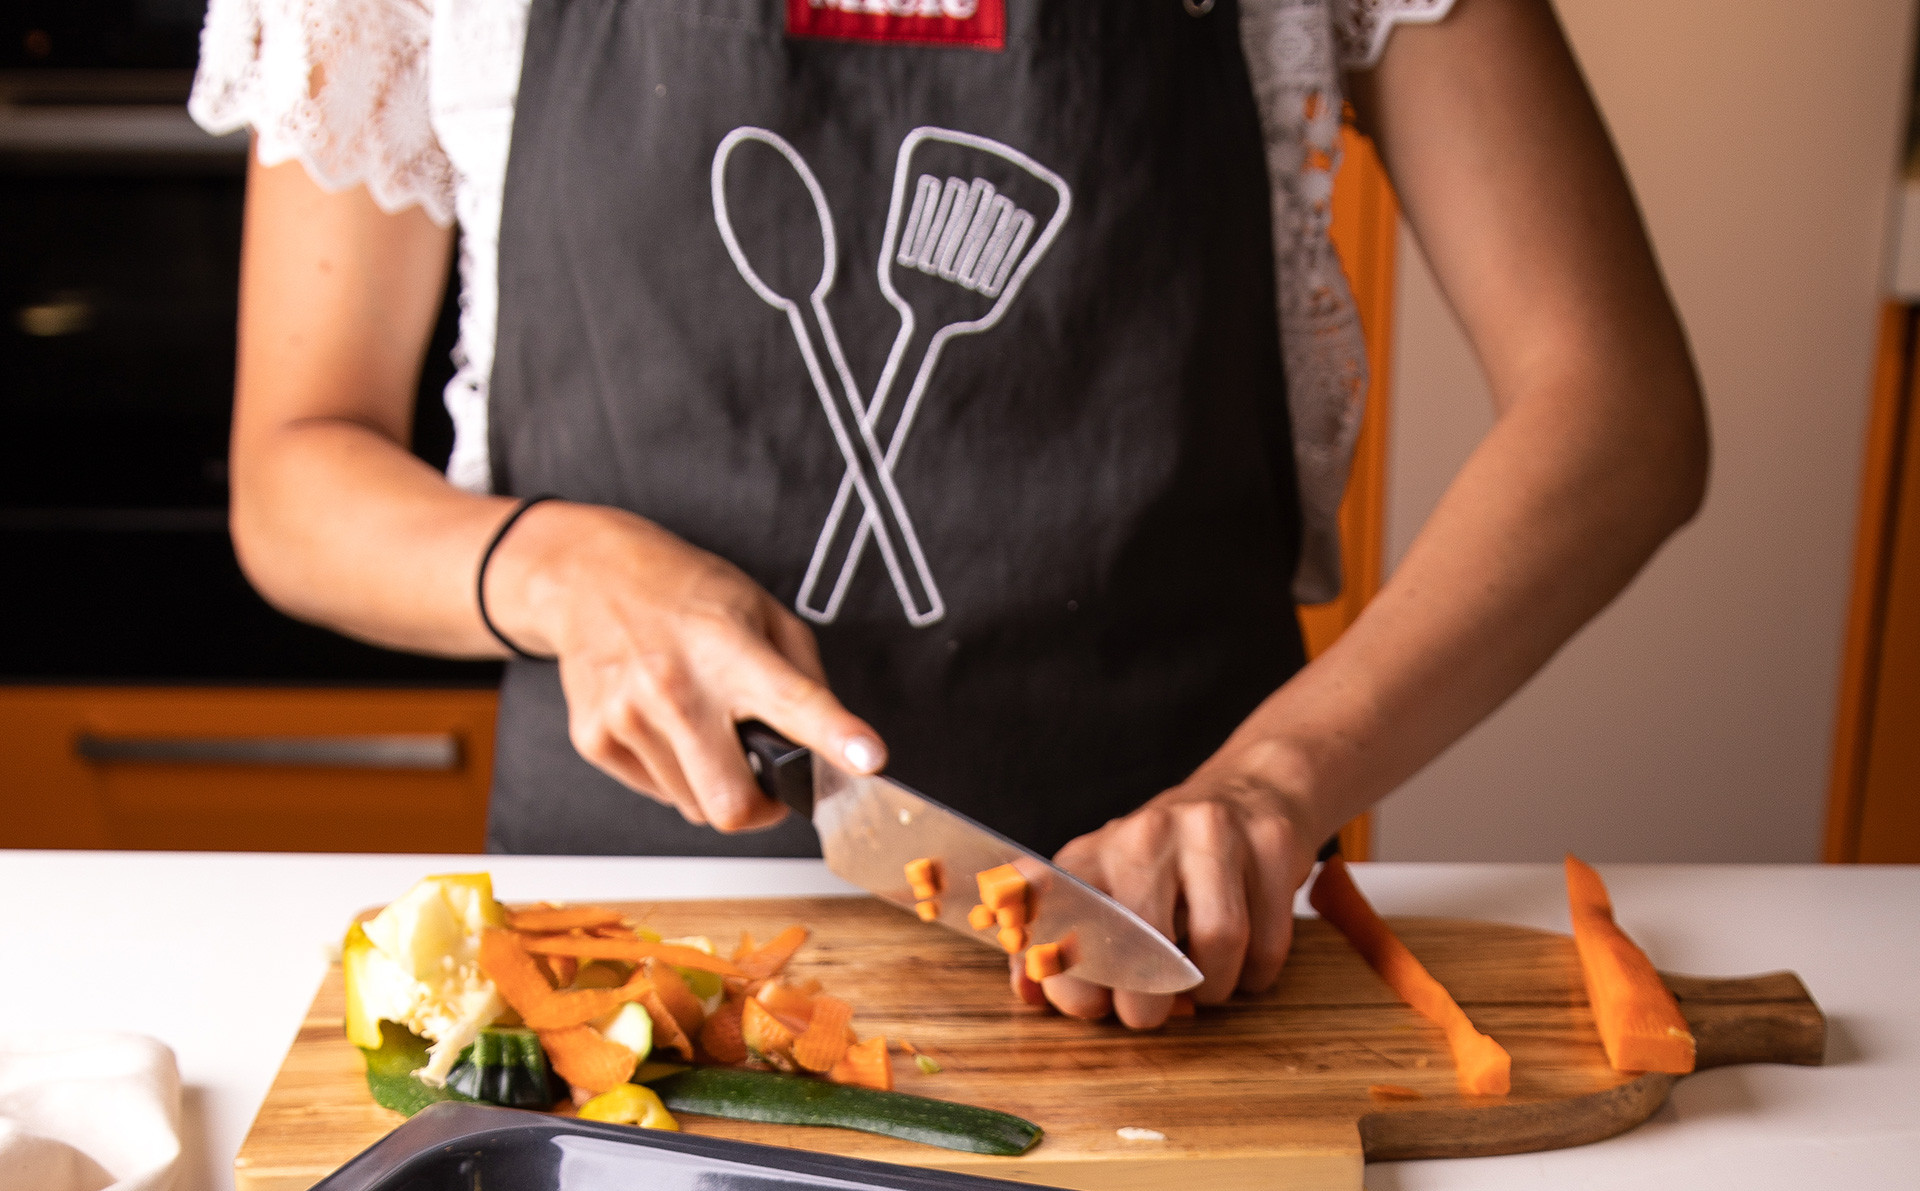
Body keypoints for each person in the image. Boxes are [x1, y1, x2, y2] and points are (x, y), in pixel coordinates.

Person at [194, 0, 1706, 1029]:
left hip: (1171, 957)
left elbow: (1617, 410)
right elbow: (294, 472)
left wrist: (1269, 786)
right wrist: (559, 567)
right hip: (630, 964)